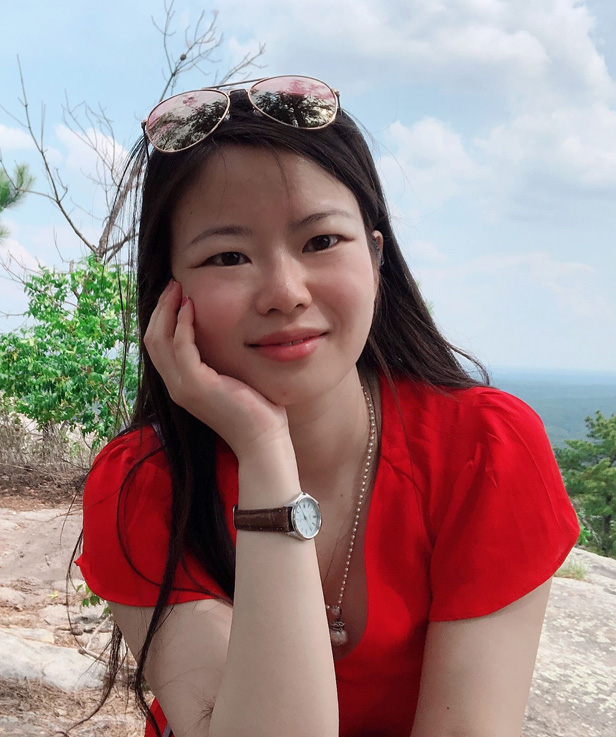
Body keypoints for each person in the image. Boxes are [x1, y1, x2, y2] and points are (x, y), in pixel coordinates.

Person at [74, 75, 580, 737]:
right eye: (228, 255)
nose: (284, 292)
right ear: (171, 292)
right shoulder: (142, 485)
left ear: (375, 257)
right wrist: (263, 450)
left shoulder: (484, 451)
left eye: (320, 242)